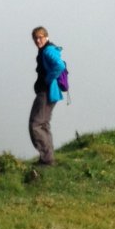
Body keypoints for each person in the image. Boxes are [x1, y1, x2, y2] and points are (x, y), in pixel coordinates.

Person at [29, 26, 65, 166]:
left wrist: (48, 79)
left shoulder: (48, 50)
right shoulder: (46, 49)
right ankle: (47, 158)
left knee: (36, 125)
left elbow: (59, 65)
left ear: (46, 37)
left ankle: (47, 160)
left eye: (40, 37)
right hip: (48, 92)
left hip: (46, 92)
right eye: (35, 38)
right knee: (43, 124)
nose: (38, 40)